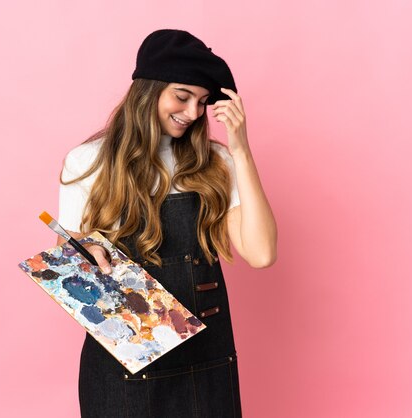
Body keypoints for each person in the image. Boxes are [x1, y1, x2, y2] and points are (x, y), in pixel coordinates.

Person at [57, 29, 277, 418]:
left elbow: (261, 254)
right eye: (182, 96)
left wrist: (240, 149)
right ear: (149, 89)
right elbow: (75, 269)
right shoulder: (88, 162)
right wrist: (83, 254)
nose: (193, 112)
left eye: (203, 102)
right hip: (126, 360)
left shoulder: (216, 162)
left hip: (206, 357)